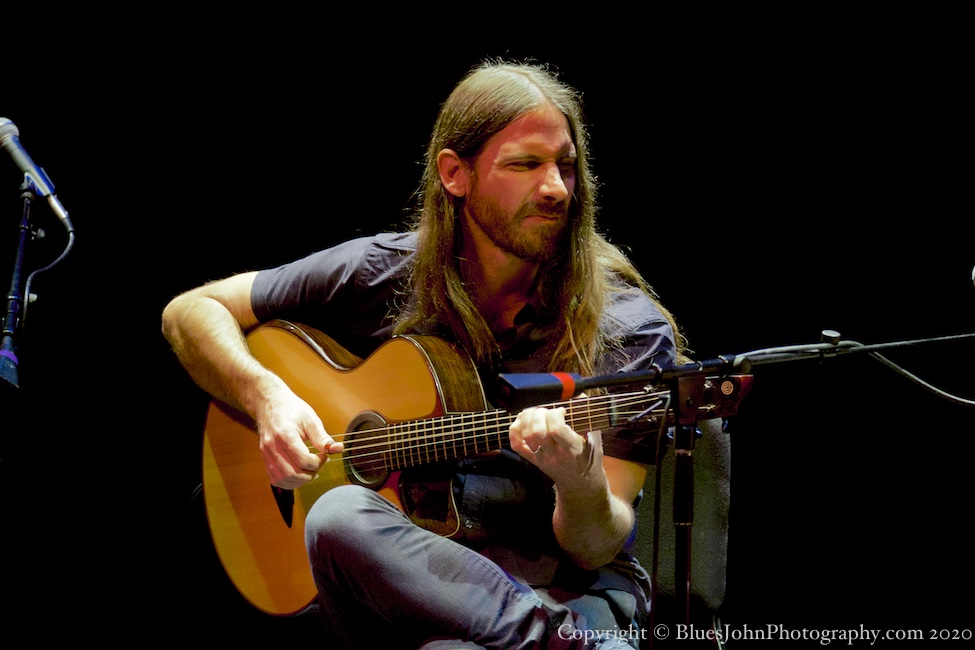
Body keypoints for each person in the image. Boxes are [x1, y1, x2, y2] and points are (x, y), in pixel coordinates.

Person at [162, 59, 688, 649]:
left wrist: (578, 481)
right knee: (338, 516)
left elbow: (595, 546)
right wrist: (268, 400)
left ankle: (552, 639)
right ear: (455, 174)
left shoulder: (625, 328)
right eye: (525, 165)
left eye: (566, 166)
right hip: (414, 577)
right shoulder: (386, 272)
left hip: (566, 589)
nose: (556, 188)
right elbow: (191, 312)